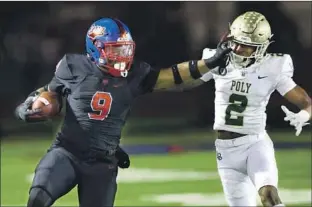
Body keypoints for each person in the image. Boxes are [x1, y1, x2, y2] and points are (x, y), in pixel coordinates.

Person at [15, 18, 231, 207]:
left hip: (103, 162)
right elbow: (51, 93)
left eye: (125, 49)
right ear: (95, 48)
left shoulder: (135, 74)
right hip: (67, 152)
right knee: (38, 197)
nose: (121, 57)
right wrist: (32, 106)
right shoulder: (73, 65)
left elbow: (174, 75)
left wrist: (208, 63)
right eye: (115, 50)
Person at [198, 11, 311, 207]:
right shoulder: (218, 59)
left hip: (255, 145)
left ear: (261, 47)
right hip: (224, 152)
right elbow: (186, 81)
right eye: (237, 42)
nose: (239, 49)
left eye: (247, 45)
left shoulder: (272, 67)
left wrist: (304, 114)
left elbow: (306, 102)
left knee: (269, 195)